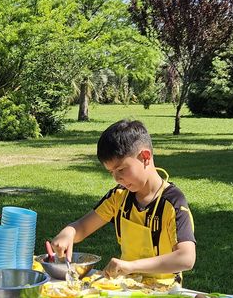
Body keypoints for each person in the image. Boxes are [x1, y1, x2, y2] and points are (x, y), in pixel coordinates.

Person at [51, 120, 196, 284]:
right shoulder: (119, 196)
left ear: (145, 157)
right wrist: (69, 232)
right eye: (111, 172)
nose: (117, 178)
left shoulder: (173, 202)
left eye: (121, 169)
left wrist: (131, 266)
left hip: (165, 290)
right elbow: (83, 227)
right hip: (126, 286)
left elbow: (186, 258)